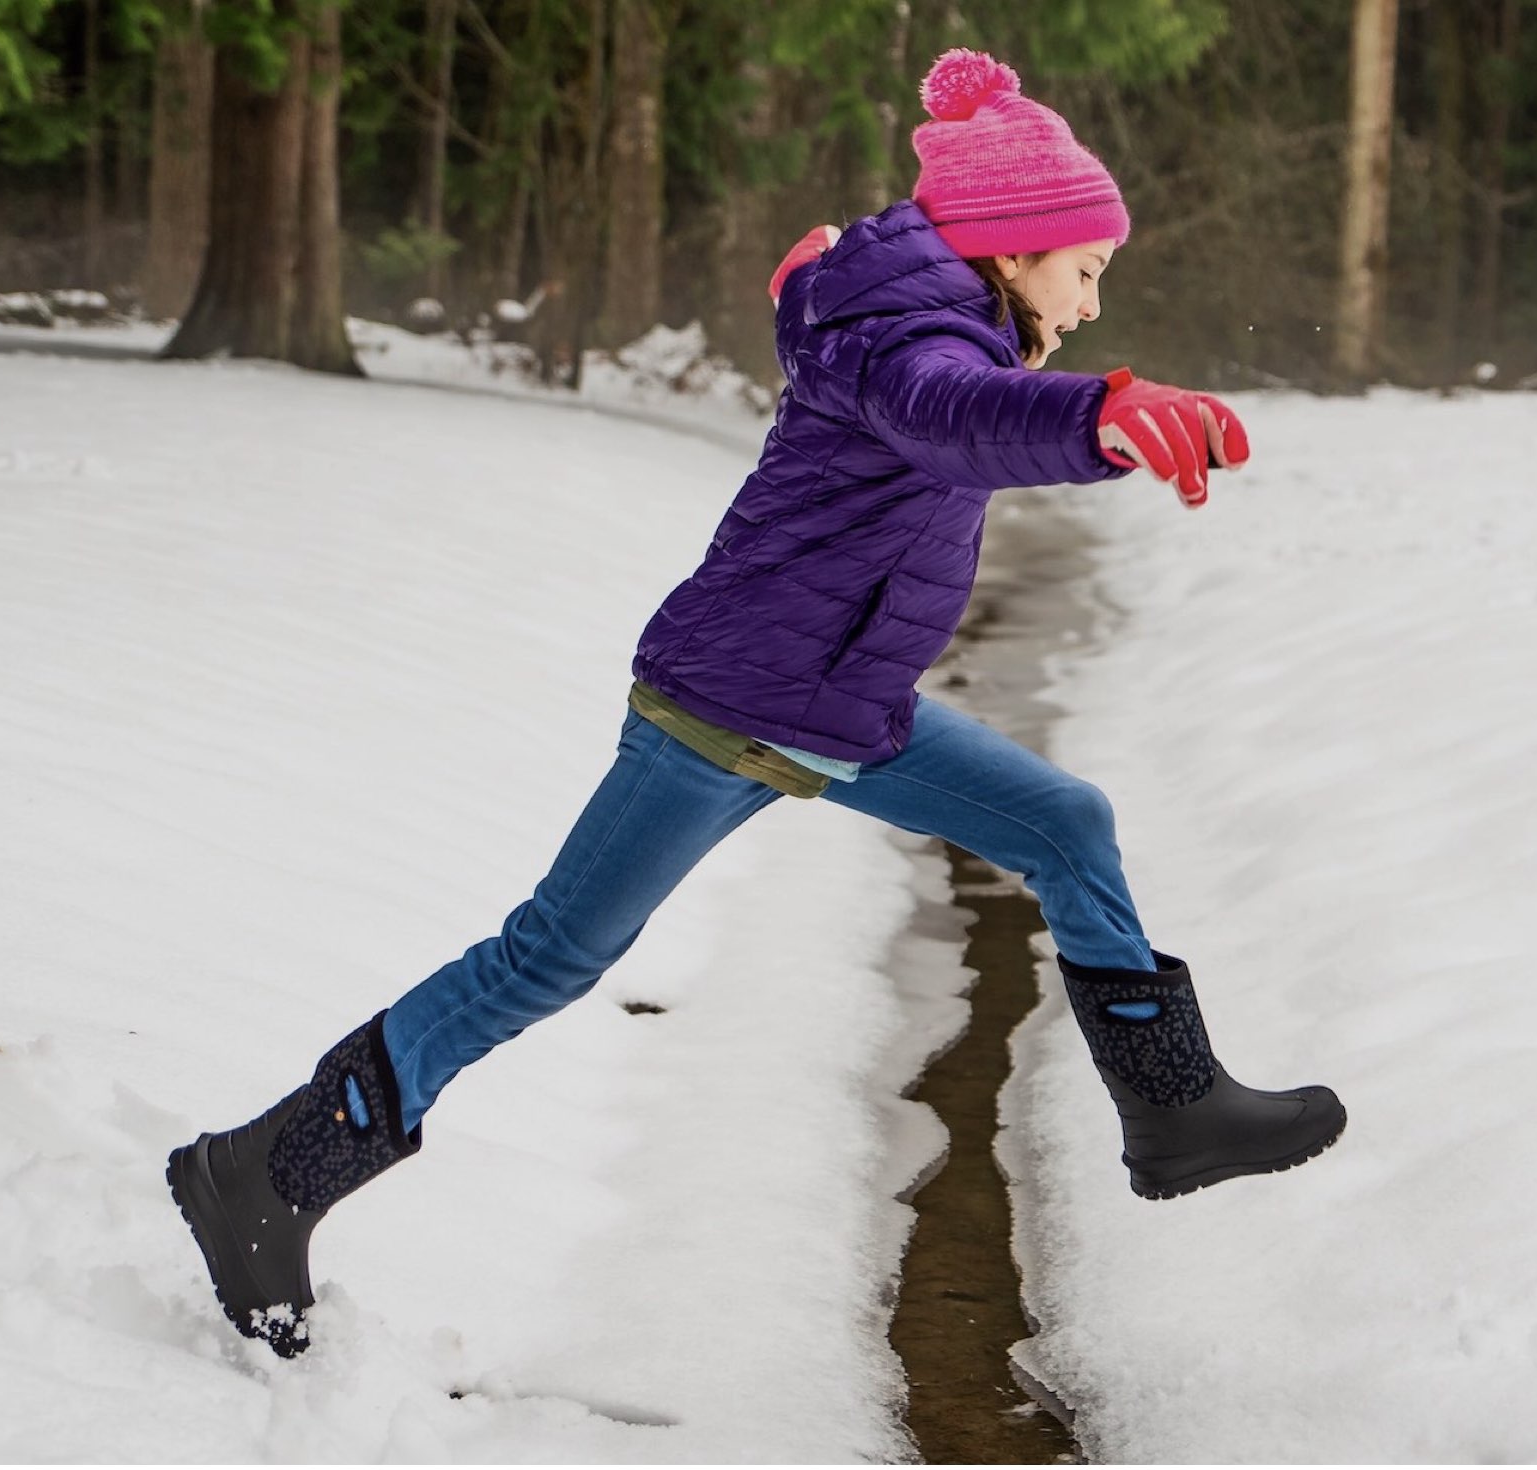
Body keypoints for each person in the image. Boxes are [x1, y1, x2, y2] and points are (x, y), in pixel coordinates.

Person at [164, 47, 1346, 1358]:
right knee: (546, 957)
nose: (1088, 307)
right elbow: (953, 415)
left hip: (836, 705)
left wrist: (836, 295)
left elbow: (878, 355)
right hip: (727, 700)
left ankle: (1171, 1109)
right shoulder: (922, 338)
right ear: (1010, 252)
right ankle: (260, 1175)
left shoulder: (914, 303)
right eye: (1083, 273)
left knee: (1065, 821)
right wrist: (1106, 421)